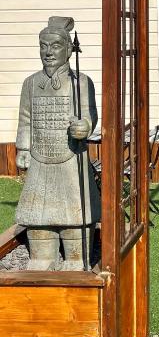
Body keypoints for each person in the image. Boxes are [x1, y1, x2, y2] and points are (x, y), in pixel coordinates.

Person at [15, 16, 100, 271]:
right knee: (38, 215)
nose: (48, 51)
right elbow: (26, 118)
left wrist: (84, 126)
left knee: (76, 212)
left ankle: (76, 258)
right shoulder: (30, 83)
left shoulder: (81, 82)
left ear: (69, 49)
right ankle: (42, 256)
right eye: (43, 45)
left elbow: (89, 113)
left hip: (70, 158)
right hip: (41, 157)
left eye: (55, 45)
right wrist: (23, 147)